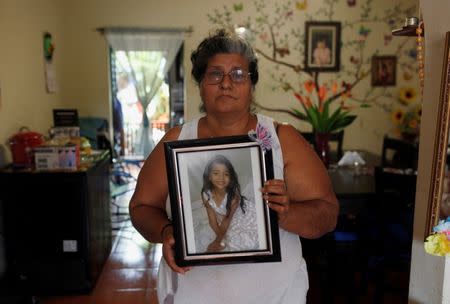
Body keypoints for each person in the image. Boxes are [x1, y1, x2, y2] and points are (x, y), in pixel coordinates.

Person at [129, 28, 338, 304]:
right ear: (201, 83)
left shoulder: (282, 139)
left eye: (238, 74)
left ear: (251, 85)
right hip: (193, 294)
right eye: (215, 74)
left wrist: (287, 213)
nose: (226, 83)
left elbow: (327, 213)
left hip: (274, 294)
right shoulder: (176, 141)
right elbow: (141, 208)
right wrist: (167, 231)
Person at [192, 154, 258, 253]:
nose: (221, 178)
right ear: (209, 176)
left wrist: (218, 240)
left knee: (238, 239)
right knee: (223, 238)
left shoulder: (233, 196)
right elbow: (212, 220)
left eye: (226, 174)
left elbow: (227, 218)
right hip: (224, 218)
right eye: (216, 173)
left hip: (238, 215)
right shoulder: (206, 194)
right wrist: (220, 238)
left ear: (231, 177)